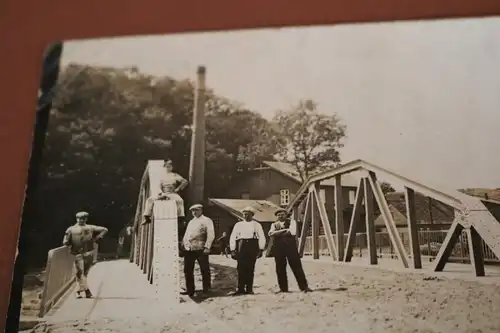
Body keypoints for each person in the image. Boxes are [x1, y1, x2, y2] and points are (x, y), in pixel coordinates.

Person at [63, 211, 108, 299]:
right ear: (76, 219)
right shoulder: (71, 229)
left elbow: (104, 229)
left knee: (84, 273)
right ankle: (84, 291)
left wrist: (97, 238)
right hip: (77, 253)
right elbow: (65, 241)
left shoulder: (90, 227)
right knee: (79, 273)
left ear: (86, 219)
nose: (80, 220)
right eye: (78, 218)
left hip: (88, 253)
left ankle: (80, 291)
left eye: (82, 218)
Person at [142, 159, 188, 239]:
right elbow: (158, 186)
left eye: (170, 166)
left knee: (180, 201)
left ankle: (181, 218)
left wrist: (178, 189)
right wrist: (160, 194)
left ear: (172, 167)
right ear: (164, 167)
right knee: (150, 200)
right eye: (167, 166)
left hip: (172, 193)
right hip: (163, 192)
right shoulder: (161, 176)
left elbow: (185, 181)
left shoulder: (175, 175)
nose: (168, 168)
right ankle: (147, 217)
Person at [269, 208, 311, 293]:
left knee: (296, 266)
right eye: (278, 215)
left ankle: (304, 287)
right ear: (276, 216)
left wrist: (277, 233)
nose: (280, 216)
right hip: (278, 248)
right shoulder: (274, 224)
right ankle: (283, 288)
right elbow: (271, 234)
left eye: (282, 214)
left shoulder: (292, 222)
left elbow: (292, 232)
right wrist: (284, 230)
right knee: (280, 268)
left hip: (290, 248)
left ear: (286, 215)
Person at [229, 206, 266, 296]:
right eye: (245, 214)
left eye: (248, 214)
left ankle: (249, 289)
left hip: (252, 246)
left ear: (252, 215)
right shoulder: (238, 225)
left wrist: (261, 249)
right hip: (241, 246)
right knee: (240, 268)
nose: (246, 216)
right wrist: (233, 250)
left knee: (250, 268)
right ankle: (240, 288)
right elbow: (233, 237)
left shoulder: (256, 225)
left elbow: (261, 236)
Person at [181, 204, 215, 297]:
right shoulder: (191, 222)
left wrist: (207, 247)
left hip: (201, 248)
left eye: (196, 210)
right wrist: (183, 245)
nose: (194, 212)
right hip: (189, 249)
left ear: (201, 210)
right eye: (193, 211)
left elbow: (211, 234)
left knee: (204, 269)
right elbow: (187, 234)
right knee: (187, 270)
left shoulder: (207, 220)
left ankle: (206, 289)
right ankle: (190, 290)